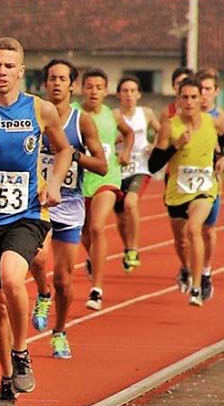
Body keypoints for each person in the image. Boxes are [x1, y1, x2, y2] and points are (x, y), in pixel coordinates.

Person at [0, 37, 69, 406]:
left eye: (9, 66)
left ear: (21, 71)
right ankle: (7, 378)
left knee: (13, 278)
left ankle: (22, 352)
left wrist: (54, 182)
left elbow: (64, 149)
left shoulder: (40, 109)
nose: (2, 72)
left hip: (27, 213)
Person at [30, 59, 107, 359]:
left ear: (72, 85)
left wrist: (73, 156)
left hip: (70, 204)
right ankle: (42, 293)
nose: (57, 83)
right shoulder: (34, 114)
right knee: (37, 259)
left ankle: (59, 331)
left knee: (64, 278)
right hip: (39, 203)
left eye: (63, 78)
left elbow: (102, 165)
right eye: (52, 78)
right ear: (45, 83)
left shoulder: (82, 121)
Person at [148, 77, 217, 306]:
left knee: (194, 229)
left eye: (194, 97)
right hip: (177, 190)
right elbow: (153, 165)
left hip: (204, 189)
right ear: (178, 99)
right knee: (181, 241)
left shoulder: (214, 122)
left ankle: (196, 287)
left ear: (202, 98)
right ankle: (186, 268)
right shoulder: (170, 126)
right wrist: (175, 146)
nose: (189, 102)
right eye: (185, 97)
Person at [79, 68, 134, 311]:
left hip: (106, 178)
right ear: (82, 89)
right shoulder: (74, 113)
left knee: (98, 226)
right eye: (89, 87)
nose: (93, 92)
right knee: (85, 234)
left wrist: (126, 151)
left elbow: (129, 133)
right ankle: (94, 257)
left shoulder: (113, 115)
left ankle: (97, 288)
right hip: (80, 183)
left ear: (106, 91)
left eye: (98, 87)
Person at [190, 68, 224, 300]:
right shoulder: (186, 116)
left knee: (206, 230)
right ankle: (187, 267)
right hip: (182, 184)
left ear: (216, 92)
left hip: (209, 182)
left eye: (209, 89)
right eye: (201, 90)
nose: (204, 94)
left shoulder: (222, 118)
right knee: (185, 231)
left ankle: (205, 271)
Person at [112, 75, 160, 271]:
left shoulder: (146, 113)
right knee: (121, 217)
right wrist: (116, 141)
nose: (129, 95)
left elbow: (161, 130)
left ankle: (133, 248)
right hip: (117, 168)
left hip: (140, 167)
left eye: (133, 91)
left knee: (131, 203)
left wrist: (153, 146)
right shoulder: (113, 114)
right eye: (125, 91)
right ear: (118, 94)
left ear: (139, 94)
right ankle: (127, 248)